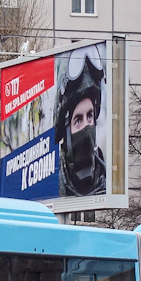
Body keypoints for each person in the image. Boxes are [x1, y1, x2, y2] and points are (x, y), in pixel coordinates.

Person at [56, 46, 108, 197]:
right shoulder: (52, 183)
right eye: (78, 120)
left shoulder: (109, 181)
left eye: (90, 116)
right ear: (65, 131)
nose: (86, 126)